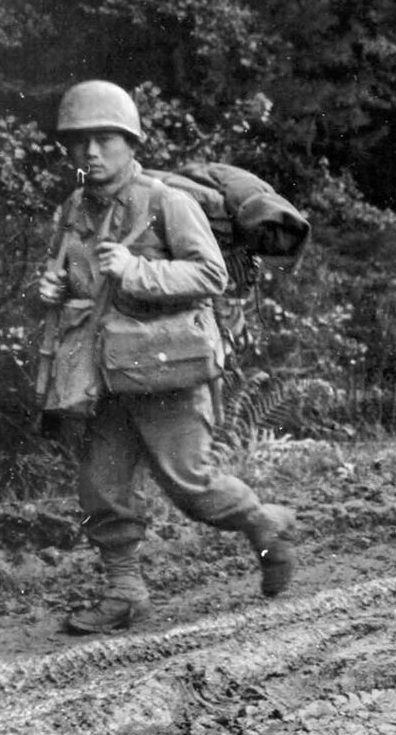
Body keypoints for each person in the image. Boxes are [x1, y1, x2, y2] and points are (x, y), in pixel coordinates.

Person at [36, 80, 298, 634]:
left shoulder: (165, 203)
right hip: (99, 375)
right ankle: (125, 592)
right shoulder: (73, 211)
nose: (91, 153)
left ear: (131, 142)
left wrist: (138, 271)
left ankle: (264, 524)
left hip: (164, 373)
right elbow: (80, 280)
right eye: (79, 142)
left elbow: (211, 274)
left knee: (193, 488)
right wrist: (56, 289)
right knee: (100, 488)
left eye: (105, 139)